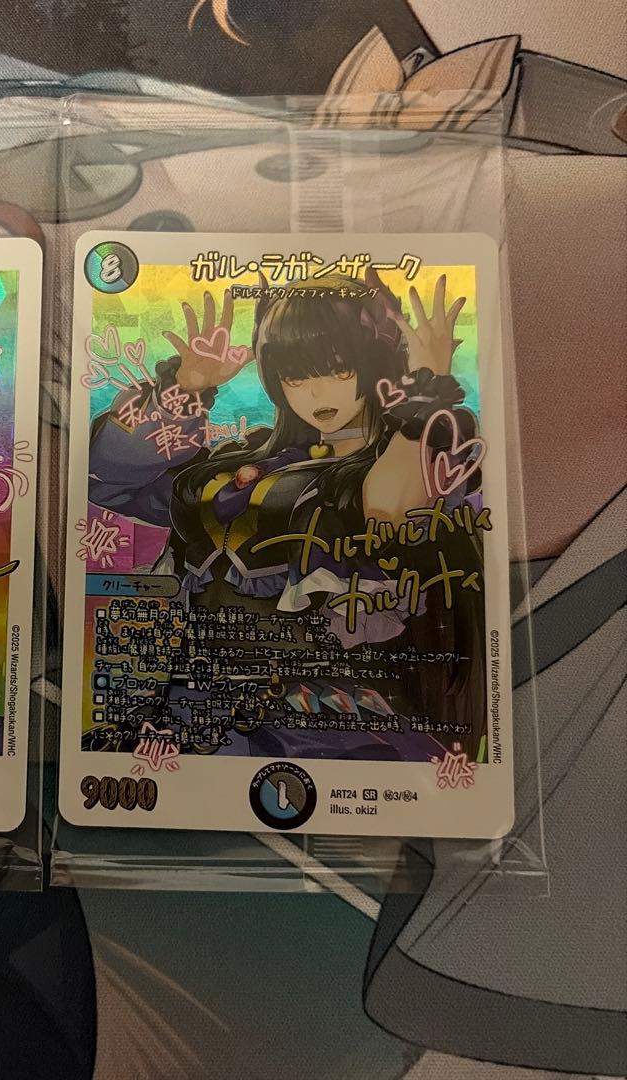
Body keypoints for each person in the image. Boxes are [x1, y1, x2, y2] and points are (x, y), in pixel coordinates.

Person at [87, 270, 486, 760]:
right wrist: (184, 391)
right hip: (194, 709)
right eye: (296, 376)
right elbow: (107, 480)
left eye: (338, 370)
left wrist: (422, 399)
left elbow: (389, 515)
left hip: (327, 721)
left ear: (376, 364)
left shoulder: (419, 457)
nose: (316, 394)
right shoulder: (243, 461)